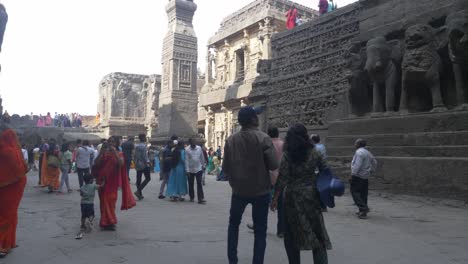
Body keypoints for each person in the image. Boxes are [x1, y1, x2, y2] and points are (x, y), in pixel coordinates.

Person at [223, 106, 279, 264]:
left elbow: (226, 169)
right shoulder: (263, 138)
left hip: (239, 190)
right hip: (261, 190)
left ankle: (232, 260)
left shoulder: (231, 140)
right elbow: (273, 165)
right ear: (254, 120)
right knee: (260, 230)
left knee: (233, 225)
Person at [271, 124, 331, 264]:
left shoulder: (288, 155)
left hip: (293, 197)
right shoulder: (315, 152)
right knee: (317, 232)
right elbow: (325, 170)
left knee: (291, 235)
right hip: (312, 195)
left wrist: (275, 198)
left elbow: (282, 178)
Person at [93, 139, 136, 230]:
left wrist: (115, 153)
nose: (111, 143)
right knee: (103, 202)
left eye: (113, 142)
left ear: (117, 143)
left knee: (111, 201)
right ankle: (105, 222)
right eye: (110, 142)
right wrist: (101, 153)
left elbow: (121, 163)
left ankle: (110, 222)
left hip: (113, 182)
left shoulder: (120, 154)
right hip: (102, 181)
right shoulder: (103, 153)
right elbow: (96, 163)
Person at [0, 125, 28, 258]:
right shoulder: (10, 151)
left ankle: (9, 242)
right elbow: (20, 169)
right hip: (12, 187)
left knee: (9, 215)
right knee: (7, 216)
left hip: (8, 186)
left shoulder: (5, 149)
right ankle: (2, 245)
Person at [350, 138, 377, 219]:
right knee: (363, 194)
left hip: (358, 176)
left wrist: (352, 175)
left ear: (358, 144)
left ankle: (363, 208)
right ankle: (362, 211)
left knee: (354, 192)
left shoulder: (359, 152)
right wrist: (371, 170)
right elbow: (375, 162)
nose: (354, 145)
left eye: (355, 143)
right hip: (365, 176)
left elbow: (357, 165)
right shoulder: (368, 152)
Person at [185, 138, 207, 204]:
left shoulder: (199, 148)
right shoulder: (187, 150)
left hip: (198, 168)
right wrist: (187, 170)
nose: (194, 144)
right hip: (190, 169)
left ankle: (200, 198)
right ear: (190, 143)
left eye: (195, 142)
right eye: (192, 142)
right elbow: (186, 160)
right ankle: (192, 197)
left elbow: (202, 157)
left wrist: (203, 165)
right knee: (191, 184)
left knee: (199, 183)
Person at [134, 134, 151, 200]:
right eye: (145, 137)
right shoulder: (144, 146)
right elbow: (144, 156)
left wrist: (135, 163)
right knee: (148, 178)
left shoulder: (137, 146)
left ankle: (139, 194)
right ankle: (138, 191)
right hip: (144, 164)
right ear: (143, 138)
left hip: (138, 163)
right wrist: (148, 162)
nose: (146, 138)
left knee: (138, 179)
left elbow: (135, 155)